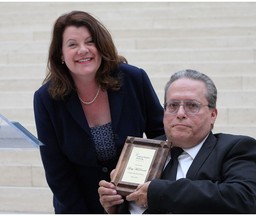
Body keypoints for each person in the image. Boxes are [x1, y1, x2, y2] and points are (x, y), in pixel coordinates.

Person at [33, 11, 164, 214]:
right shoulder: (46, 99)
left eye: (90, 42)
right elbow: (56, 169)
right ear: (60, 54)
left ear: (101, 46)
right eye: (72, 44)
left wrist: (149, 187)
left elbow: (160, 134)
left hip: (135, 200)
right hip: (77, 204)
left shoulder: (133, 79)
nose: (83, 50)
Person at [98, 69, 256, 214]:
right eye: (172, 105)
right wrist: (115, 207)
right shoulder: (144, 149)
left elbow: (245, 199)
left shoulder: (235, 148)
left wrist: (160, 192)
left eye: (192, 105)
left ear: (213, 114)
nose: (180, 113)